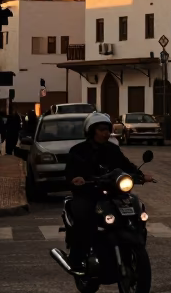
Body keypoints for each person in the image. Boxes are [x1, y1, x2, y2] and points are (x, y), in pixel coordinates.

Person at [63, 113, 156, 273]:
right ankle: (77, 259)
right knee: (85, 218)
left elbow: (126, 165)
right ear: (92, 131)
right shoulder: (79, 151)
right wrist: (76, 178)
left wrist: (140, 175)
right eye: (101, 129)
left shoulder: (112, 149)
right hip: (88, 193)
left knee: (136, 207)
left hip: (112, 192)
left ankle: (133, 241)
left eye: (107, 129)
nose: (105, 133)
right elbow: (70, 171)